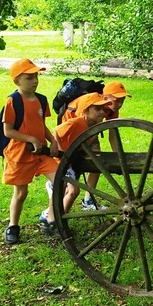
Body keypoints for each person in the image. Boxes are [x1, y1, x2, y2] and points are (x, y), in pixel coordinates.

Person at [1, 58, 59, 245]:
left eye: (36, 76)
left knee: (60, 181)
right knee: (21, 193)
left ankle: (51, 220)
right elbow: (8, 131)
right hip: (20, 154)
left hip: (41, 153)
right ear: (17, 81)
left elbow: (41, 125)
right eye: (29, 77)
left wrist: (53, 141)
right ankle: (13, 226)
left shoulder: (41, 100)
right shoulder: (13, 101)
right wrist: (31, 139)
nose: (35, 81)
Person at [40, 93, 112, 227]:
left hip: (72, 161)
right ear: (85, 110)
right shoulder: (75, 122)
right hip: (61, 162)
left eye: (104, 109)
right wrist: (63, 154)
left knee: (72, 192)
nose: (102, 112)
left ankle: (57, 218)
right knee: (73, 191)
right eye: (97, 109)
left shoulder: (94, 126)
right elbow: (56, 132)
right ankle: (53, 219)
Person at [59, 81, 132, 210]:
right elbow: (78, 126)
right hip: (72, 128)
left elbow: (112, 133)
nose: (119, 104)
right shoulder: (90, 103)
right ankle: (59, 187)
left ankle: (88, 200)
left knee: (98, 161)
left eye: (122, 100)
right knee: (73, 163)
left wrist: (118, 157)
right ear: (105, 97)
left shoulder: (112, 110)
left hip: (91, 130)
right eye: (116, 100)